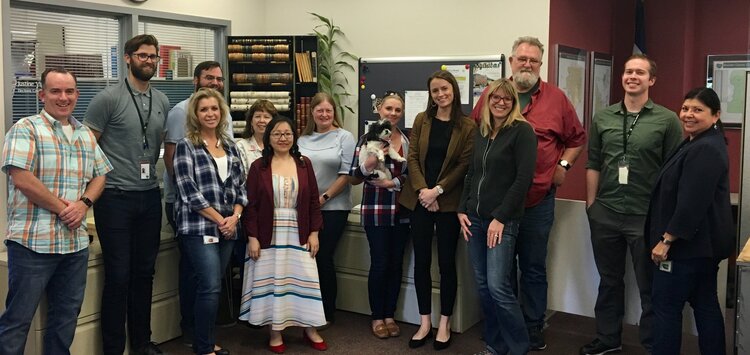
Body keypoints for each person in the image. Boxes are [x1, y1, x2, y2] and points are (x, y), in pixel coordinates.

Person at [471, 36, 586, 350]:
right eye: (521, 59)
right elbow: (476, 139)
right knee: (499, 274)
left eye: (533, 61)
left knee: (533, 267)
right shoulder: (491, 96)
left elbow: (577, 138)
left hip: (536, 201)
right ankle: (504, 330)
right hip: (496, 206)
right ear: (511, 61)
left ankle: (532, 327)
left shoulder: (556, 99)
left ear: (540, 64)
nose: (527, 65)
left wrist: (562, 165)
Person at [0, 68, 112, 355]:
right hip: (31, 245)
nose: (63, 97)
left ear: (77, 94)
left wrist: (84, 204)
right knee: (17, 322)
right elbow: (21, 177)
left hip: (73, 247)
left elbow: (101, 175)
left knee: (65, 320)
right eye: (55, 91)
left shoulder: (85, 134)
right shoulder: (26, 128)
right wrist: (66, 208)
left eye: (69, 91)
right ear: (42, 95)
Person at [582, 54, 683, 355]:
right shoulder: (603, 117)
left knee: (650, 286)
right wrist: (591, 205)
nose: (632, 77)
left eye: (640, 72)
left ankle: (654, 345)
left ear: (651, 79)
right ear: (622, 77)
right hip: (607, 212)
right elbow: (593, 162)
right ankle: (608, 338)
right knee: (609, 281)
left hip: (646, 216)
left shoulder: (667, 120)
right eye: (628, 72)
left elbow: (674, 172)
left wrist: (667, 219)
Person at [83, 34, 170, 355]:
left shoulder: (161, 100)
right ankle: (113, 349)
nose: (149, 61)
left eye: (153, 56)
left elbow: (156, 142)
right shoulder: (107, 99)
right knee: (118, 276)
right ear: (128, 58)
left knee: (145, 273)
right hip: (115, 198)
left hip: (149, 197)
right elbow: (87, 148)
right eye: (143, 55)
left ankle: (142, 343)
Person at [646, 87, 734, 355]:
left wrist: (667, 240)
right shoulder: (698, 141)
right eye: (685, 109)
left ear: (716, 115)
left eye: (697, 110)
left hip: (685, 249)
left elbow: (691, 202)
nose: (688, 115)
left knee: (666, 309)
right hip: (700, 249)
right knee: (705, 305)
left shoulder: (705, 148)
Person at [458, 79, 537, 355]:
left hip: (501, 222)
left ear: (514, 102)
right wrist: (462, 209)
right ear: (488, 100)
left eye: (507, 99)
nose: (500, 103)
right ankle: (495, 345)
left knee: (498, 286)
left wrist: (501, 218)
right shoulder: (481, 131)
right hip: (475, 220)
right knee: (483, 286)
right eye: (495, 98)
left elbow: (523, 179)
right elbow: (471, 174)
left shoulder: (522, 132)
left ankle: (519, 347)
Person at [400, 70, 476, 351]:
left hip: (447, 203)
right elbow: (414, 157)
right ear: (430, 95)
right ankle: (424, 323)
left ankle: (444, 323)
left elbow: (464, 166)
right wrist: (423, 191)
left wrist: (437, 191)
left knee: (446, 263)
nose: (441, 94)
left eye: (445, 89)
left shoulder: (468, 126)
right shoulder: (422, 120)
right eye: (435, 91)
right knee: (420, 262)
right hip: (420, 200)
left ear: (454, 90)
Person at [239, 116, 327, 353]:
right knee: (274, 282)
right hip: (268, 234)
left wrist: (314, 233)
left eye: (287, 133)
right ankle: (275, 332)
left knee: (305, 279)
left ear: (294, 137)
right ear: (268, 137)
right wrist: (253, 237)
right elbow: (251, 206)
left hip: (299, 231)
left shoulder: (304, 163)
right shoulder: (259, 166)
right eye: (277, 133)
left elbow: (312, 202)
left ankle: (310, 328)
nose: (283, 138)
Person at [162, 60, 232, 348]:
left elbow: (235, 177)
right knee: (197, 275)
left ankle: (201, 332)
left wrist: (232, 216)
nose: (215, 83)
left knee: (207, 278)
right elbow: (172, 160)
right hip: (191, 210)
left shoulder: (222, 117)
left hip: (223, 216)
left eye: (219, 78)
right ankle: (193, 332)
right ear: (195, 81)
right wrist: (208, 211)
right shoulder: (182, 112)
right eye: (209, 78)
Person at [173, 88, 247, 355]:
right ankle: (203, 346)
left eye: (214, 108)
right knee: (210, 285)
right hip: (198, 227)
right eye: (204, 109)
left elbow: (241, 187)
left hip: (228, 226)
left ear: (221, 111)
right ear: (195, 114)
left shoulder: (230, 146)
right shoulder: (186, 145)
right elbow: (187, 190)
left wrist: (235, 217)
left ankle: (205, 339)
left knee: (211, 287)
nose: (210, 113)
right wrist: (221, 220)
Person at [350, 92, 410, 339]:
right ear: (379, 110)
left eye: (397, 110)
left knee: (397, 264)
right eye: (389, 109)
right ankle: (377, 316)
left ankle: (389, 314)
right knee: (380, 263)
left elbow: (414, 174)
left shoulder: (407, 140)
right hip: (376, 210)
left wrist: (394, 183)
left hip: (402, 210)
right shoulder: (367, 138)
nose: (393, 113)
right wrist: (370, 163)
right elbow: (354, 175)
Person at [297, 92, 356, 326]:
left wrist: (323, 198)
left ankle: (326, 310)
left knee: (322, 256)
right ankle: (305, 308)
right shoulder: (302, 139)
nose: (324, 114)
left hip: (334, 208)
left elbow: (347, 174)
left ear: (334, 113)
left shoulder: (344, 137)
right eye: (319, 110)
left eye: (328, 111)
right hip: (304, 209)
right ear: (312, 112)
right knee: (304, 259)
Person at [237, 99, 278, 175]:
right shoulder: (241, 147)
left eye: (266, 117)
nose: (261, 120)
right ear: (251, 121)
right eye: (257, 116)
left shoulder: (279, 146)